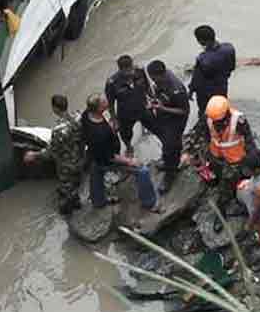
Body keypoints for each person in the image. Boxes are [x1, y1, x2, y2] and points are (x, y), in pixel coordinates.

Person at [80, 94, 158, 211]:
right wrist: (130, 161)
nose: (107, 101)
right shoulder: (100, 133)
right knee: (142, 170)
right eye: (104, 101)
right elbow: (111, 157)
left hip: (93, 153)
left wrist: (110, 126)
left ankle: (98, 201)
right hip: (107, 159)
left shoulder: (86, 115)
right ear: (99, 109)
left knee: (96, 170)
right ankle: (149, 203)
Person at [146, 60, 190, 193]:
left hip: (176, 120)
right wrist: (155, 102)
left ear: (161, 74)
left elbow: (184, 111)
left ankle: (170, 175)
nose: (152, 80)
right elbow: (159, 93)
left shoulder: (177, 89)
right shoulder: (161, 80)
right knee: (167, 144)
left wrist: (162, 108)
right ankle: (168, 162)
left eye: (153, 77)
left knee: (171, 146)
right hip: (165, 116)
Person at [35, 95, 83, 215]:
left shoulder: (58, 130)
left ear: (55, 108)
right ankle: (76, 202)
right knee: (75, 184)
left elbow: (51, 152)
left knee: (66, 189)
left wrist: (35, 155)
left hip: (66, 165)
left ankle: (68, 213)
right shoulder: (77, 117)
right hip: (79, 158)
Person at [198, 96, 257, 193]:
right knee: (217, 174)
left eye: (219, 120)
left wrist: (252, 156)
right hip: (216, 155)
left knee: (235, 180)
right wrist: (206, 152)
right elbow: (205, 134)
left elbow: (248, 138)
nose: (216, 123)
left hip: (235, 157)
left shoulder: (238, 119)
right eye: (214, 120)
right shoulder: (208, 117)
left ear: (226, 113)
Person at [105, 55, 154, 149]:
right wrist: (114, 119)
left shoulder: (140, 71)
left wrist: (152, 98)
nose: (130, 73)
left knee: (152, 124)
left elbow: (147, 86)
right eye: (126, 71)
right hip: (125, 114)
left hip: (142, 107)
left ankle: (145, 129)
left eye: (131, 69)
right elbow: (110, 103)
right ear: (120, 70)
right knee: (126, 134)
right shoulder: (112, 83)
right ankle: (129, 147)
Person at [189, 25, 236, 119]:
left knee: (205, 113)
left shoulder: (203, 59)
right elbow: (232, 67)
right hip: (222, 86)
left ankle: (206, 130)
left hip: (206, 92)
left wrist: (190, 91)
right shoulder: (229, 48)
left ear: (201, 41)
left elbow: (196, 80)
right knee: (221, 110)